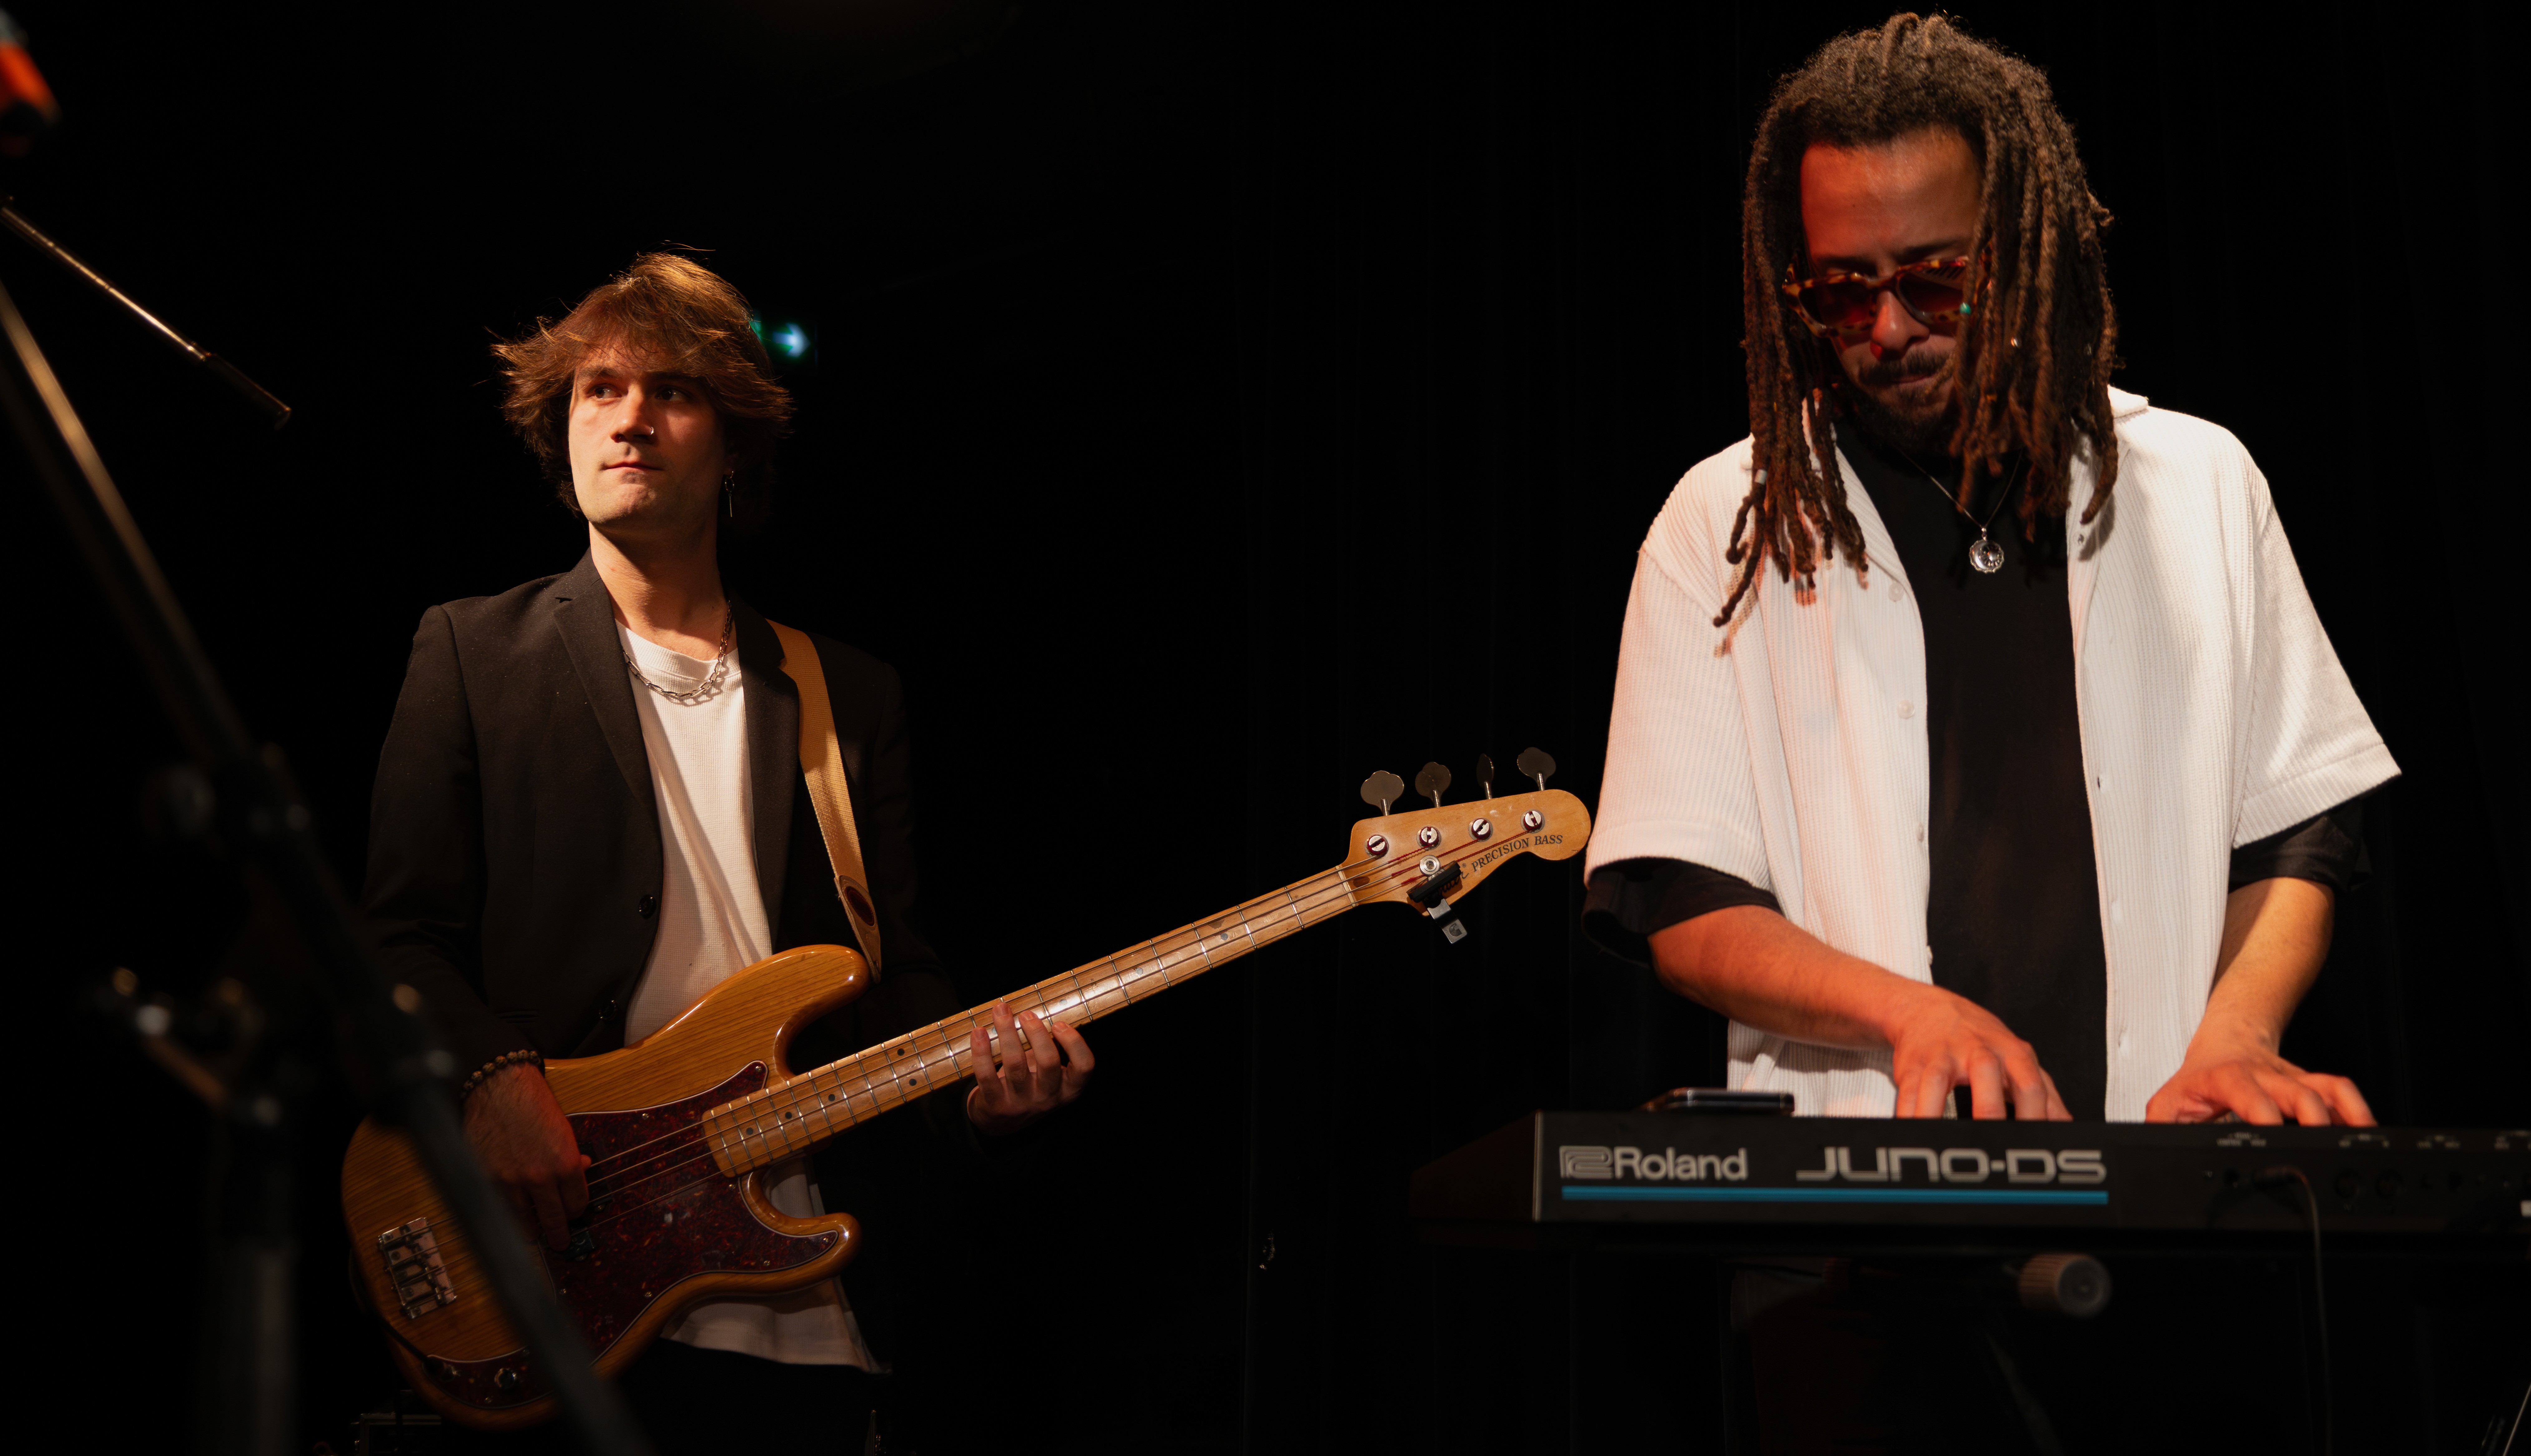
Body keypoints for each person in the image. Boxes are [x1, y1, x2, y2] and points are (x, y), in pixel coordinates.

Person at [1584, 14, 2394, 1130]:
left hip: (2159, 1199)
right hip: (1845, 1233)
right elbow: (1683, 899)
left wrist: (2235, 1037)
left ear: (2023, 248)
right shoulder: (1723, 523)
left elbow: (2298, 831)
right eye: (1840, 293)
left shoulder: (2197, 483)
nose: (1888, 328)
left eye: (1935, 281)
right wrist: (1915, 1019)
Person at [361, 253, 1090, 1452]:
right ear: (563, 430)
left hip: (790, 1291)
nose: (630, 418)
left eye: (672, 391)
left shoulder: (842, 690)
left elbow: (889, 966)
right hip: (558, 1258)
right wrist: (493, 1079)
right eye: (597, 390)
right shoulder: (471, 653)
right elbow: (395, 937)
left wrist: (985, 1100)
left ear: (737, 444)